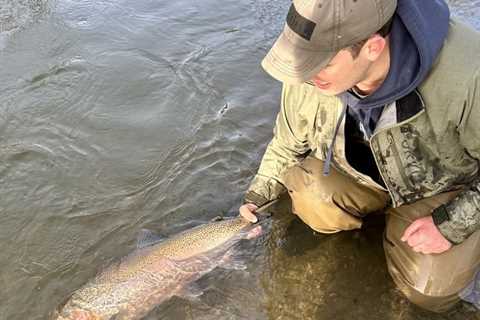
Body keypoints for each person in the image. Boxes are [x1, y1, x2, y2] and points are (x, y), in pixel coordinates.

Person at [239, 0, 480, 313]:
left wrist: (449, 225)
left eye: (321, 64)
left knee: (430, 291)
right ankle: (374, 223)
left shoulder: (468, 73)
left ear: (373, 47)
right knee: (310, 196)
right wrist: (257, 196)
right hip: (355, 173)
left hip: (440, 187)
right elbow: (286, 143)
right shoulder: (306, 68)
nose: (305, 75)